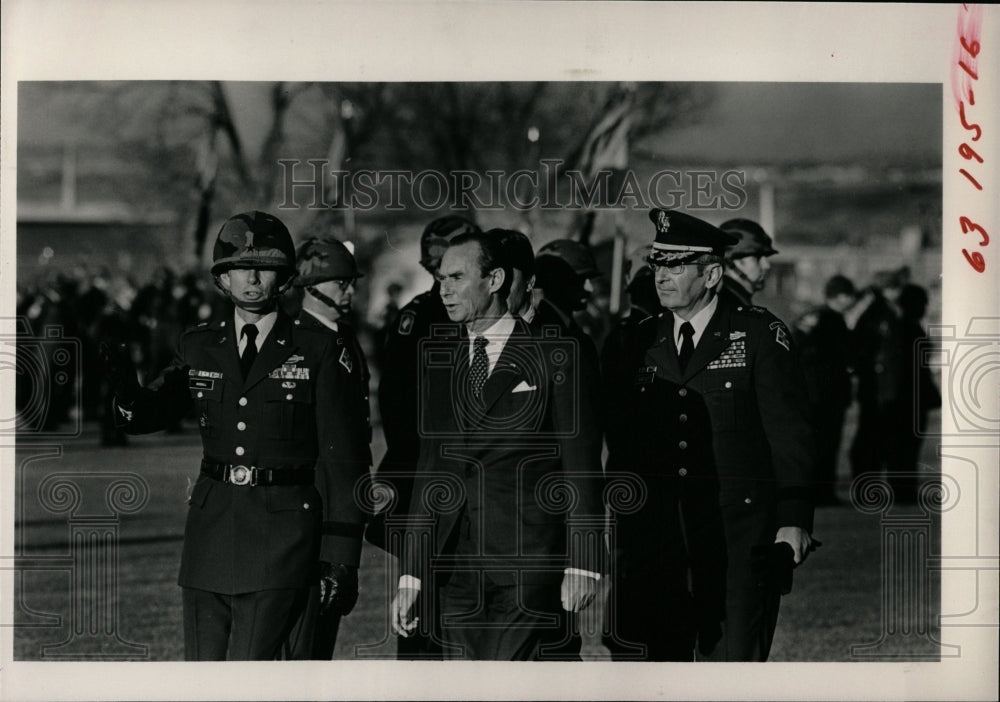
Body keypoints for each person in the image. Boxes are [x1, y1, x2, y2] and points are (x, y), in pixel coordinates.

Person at [102, 211, 367, 660]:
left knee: (252, 675)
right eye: (240, 268)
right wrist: (126, 393)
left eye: (265, 269)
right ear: (222, 279)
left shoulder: (317, 348)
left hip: (283, 539)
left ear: (284, 278)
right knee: (204, 675)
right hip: (211, 536)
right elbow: (154, 410)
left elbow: (343, 460)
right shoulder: (201, 344)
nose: (252, 279)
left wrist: (341, 558)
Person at [607, 208, 817, 662]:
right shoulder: (638, 341)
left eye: (676, 265)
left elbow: (789, 433)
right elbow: (624, 445)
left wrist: (794, 516)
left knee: (733, 669)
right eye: (658, 264)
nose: (662, 276)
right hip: (661, 542)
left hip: (738, 540)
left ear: (714, 274)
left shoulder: (758, 334)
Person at [389, 231, 605, 660]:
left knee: (509, 684)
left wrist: (583, 560)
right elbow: (432, 472)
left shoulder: (556, 354)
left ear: (495, 280)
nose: (443, 289)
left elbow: (582, 465)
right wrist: (411, 575)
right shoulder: (441, 360)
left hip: (526, 562)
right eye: (439, 278)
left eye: (456, 277)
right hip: (455, 568)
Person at [370, 214, 480, 658]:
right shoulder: (419, 318)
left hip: (466, 485)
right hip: (423, 476)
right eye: (441, 264)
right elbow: (398, 407)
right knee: (421, 605)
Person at [282, 236, 373, 659]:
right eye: (341, 284)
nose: (350, 292)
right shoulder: (299, 343)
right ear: (311, 285)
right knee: (300, 654)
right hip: (308, 521)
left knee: (319, 651)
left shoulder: (343, 339)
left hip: (337, 512)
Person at [793, 274, 858, 505]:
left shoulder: (811, 317)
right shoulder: (834, 320)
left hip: (812, 393)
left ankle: (815, 491)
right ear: (841, 297)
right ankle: (823, 492)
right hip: (829, 394)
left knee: (815, 444)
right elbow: (846, 354)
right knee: (828, 444)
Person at [849, 268, 905, 489]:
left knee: (871, 433)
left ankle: (867, 479)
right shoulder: (882, 313)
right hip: (880, 386)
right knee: (874, 434)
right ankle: (867, 479)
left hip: (876, 385)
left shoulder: (876, 312)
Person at [893, 282, 941, 503]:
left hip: (905, 398)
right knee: (907, 446)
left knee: (904, 445)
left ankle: (904, 489)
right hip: (910, 398)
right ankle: (904, 491)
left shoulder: (903, 327)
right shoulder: (909, 329)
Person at [718, 218, 778, 307]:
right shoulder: (730, 305)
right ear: (736, 263)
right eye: (758, 258)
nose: (766, 265)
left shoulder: (730, 299)